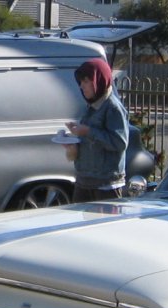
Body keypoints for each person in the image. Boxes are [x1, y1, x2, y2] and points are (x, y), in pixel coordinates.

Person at [64, 58, 129, 202]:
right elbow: (89, 142)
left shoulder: (112, 108)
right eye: (80, 82)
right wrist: (72, 144)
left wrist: (88, 131)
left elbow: (120, 143)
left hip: (106, 185)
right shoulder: (91, 106)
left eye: (86, 81)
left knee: (103, 218)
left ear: (98, 80)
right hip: (84, 181)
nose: (82, 86)